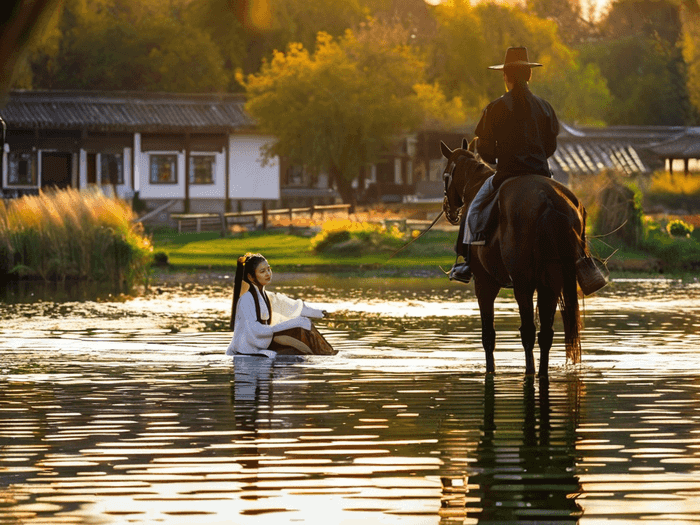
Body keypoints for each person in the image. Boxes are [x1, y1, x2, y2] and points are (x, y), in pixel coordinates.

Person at [449, 46, 560, 284]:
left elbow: (484, 149)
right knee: (567, 205)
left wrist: (499, 160)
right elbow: (551, 147)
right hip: (542, 174)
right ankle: (583, 261)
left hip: (507, 174)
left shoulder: (495, 107)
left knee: (473, 209)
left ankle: (466, 263)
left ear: (506, 76)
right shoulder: (545, 107)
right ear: (529, 75)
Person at [227, 252, 335, 357]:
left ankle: (326, 354)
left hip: (262, 342)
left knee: (303, 328)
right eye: (262, 271)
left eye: (269, 269)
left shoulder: (268, 297)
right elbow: (254, 330)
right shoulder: (246, 300)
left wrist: (321, 313)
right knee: (298, 332)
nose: (268, 274)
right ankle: (325, 355)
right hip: (248, 349)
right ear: (251, 277)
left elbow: (294, 307)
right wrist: (290, 324)